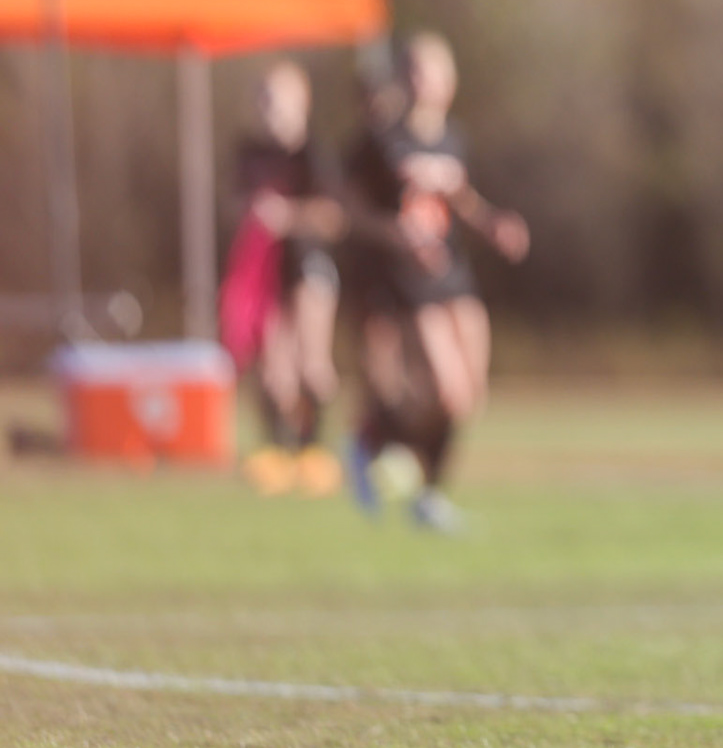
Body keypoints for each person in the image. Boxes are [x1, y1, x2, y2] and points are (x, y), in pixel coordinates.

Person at [343, 32, 529, 531]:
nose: (424, 80)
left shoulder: (452, 138)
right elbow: (349, 210)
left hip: (451, 269)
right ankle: (372, 442)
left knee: (468, 395)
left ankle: (423, 490)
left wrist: (492, 224)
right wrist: (393, 231)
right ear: (403, 78)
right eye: (414, 70)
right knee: (446, 388)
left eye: (433, 70)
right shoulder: (382, 139)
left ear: (451, 80)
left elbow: (459, 195)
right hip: (407, 276)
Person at [224, 61, 348, 498]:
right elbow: (239, 205)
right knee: (274, 370)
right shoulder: (249, 153)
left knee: (312, 365)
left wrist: (288, 217)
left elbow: (333, 217)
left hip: (308, 266)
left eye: (279, 101)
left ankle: (316, 452)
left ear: (302, 103)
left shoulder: (314, 154)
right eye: (264, 101)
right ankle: (277, 453)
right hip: (267, 273)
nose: (270, 111)